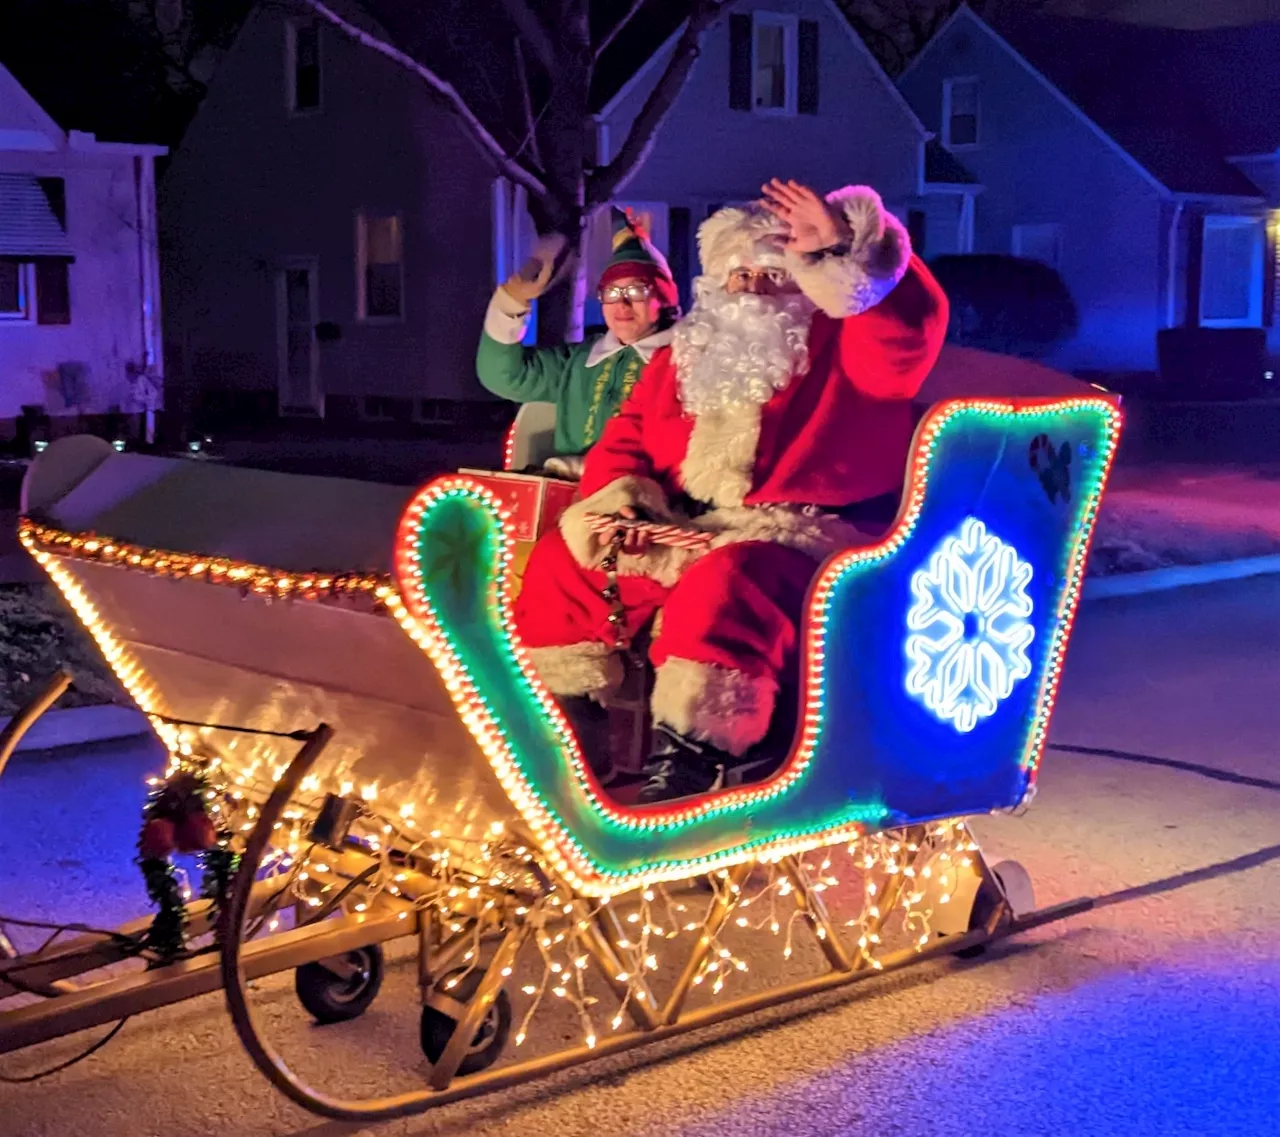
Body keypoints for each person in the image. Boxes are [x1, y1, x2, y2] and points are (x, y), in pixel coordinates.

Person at [513, 179, 949, 802]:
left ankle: (689, 764)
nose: (751, 290)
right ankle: (569, 734)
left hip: (804, 534)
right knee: (568, 558)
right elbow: (626, 439)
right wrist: (623, 503)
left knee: (730, 583)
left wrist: (842, 254)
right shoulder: (685, 357)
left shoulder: (849, 347)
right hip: (692, 524)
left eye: (772, 275)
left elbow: (907, 329)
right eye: (738, 276)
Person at [477, 212, 681, 464]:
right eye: (611, 292)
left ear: (664, 299)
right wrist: (511, 302)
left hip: (645, 497)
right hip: (572, 496)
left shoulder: (685, 362)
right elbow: (504, 376)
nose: (622, 303)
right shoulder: (578, 362)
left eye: (636, 290)